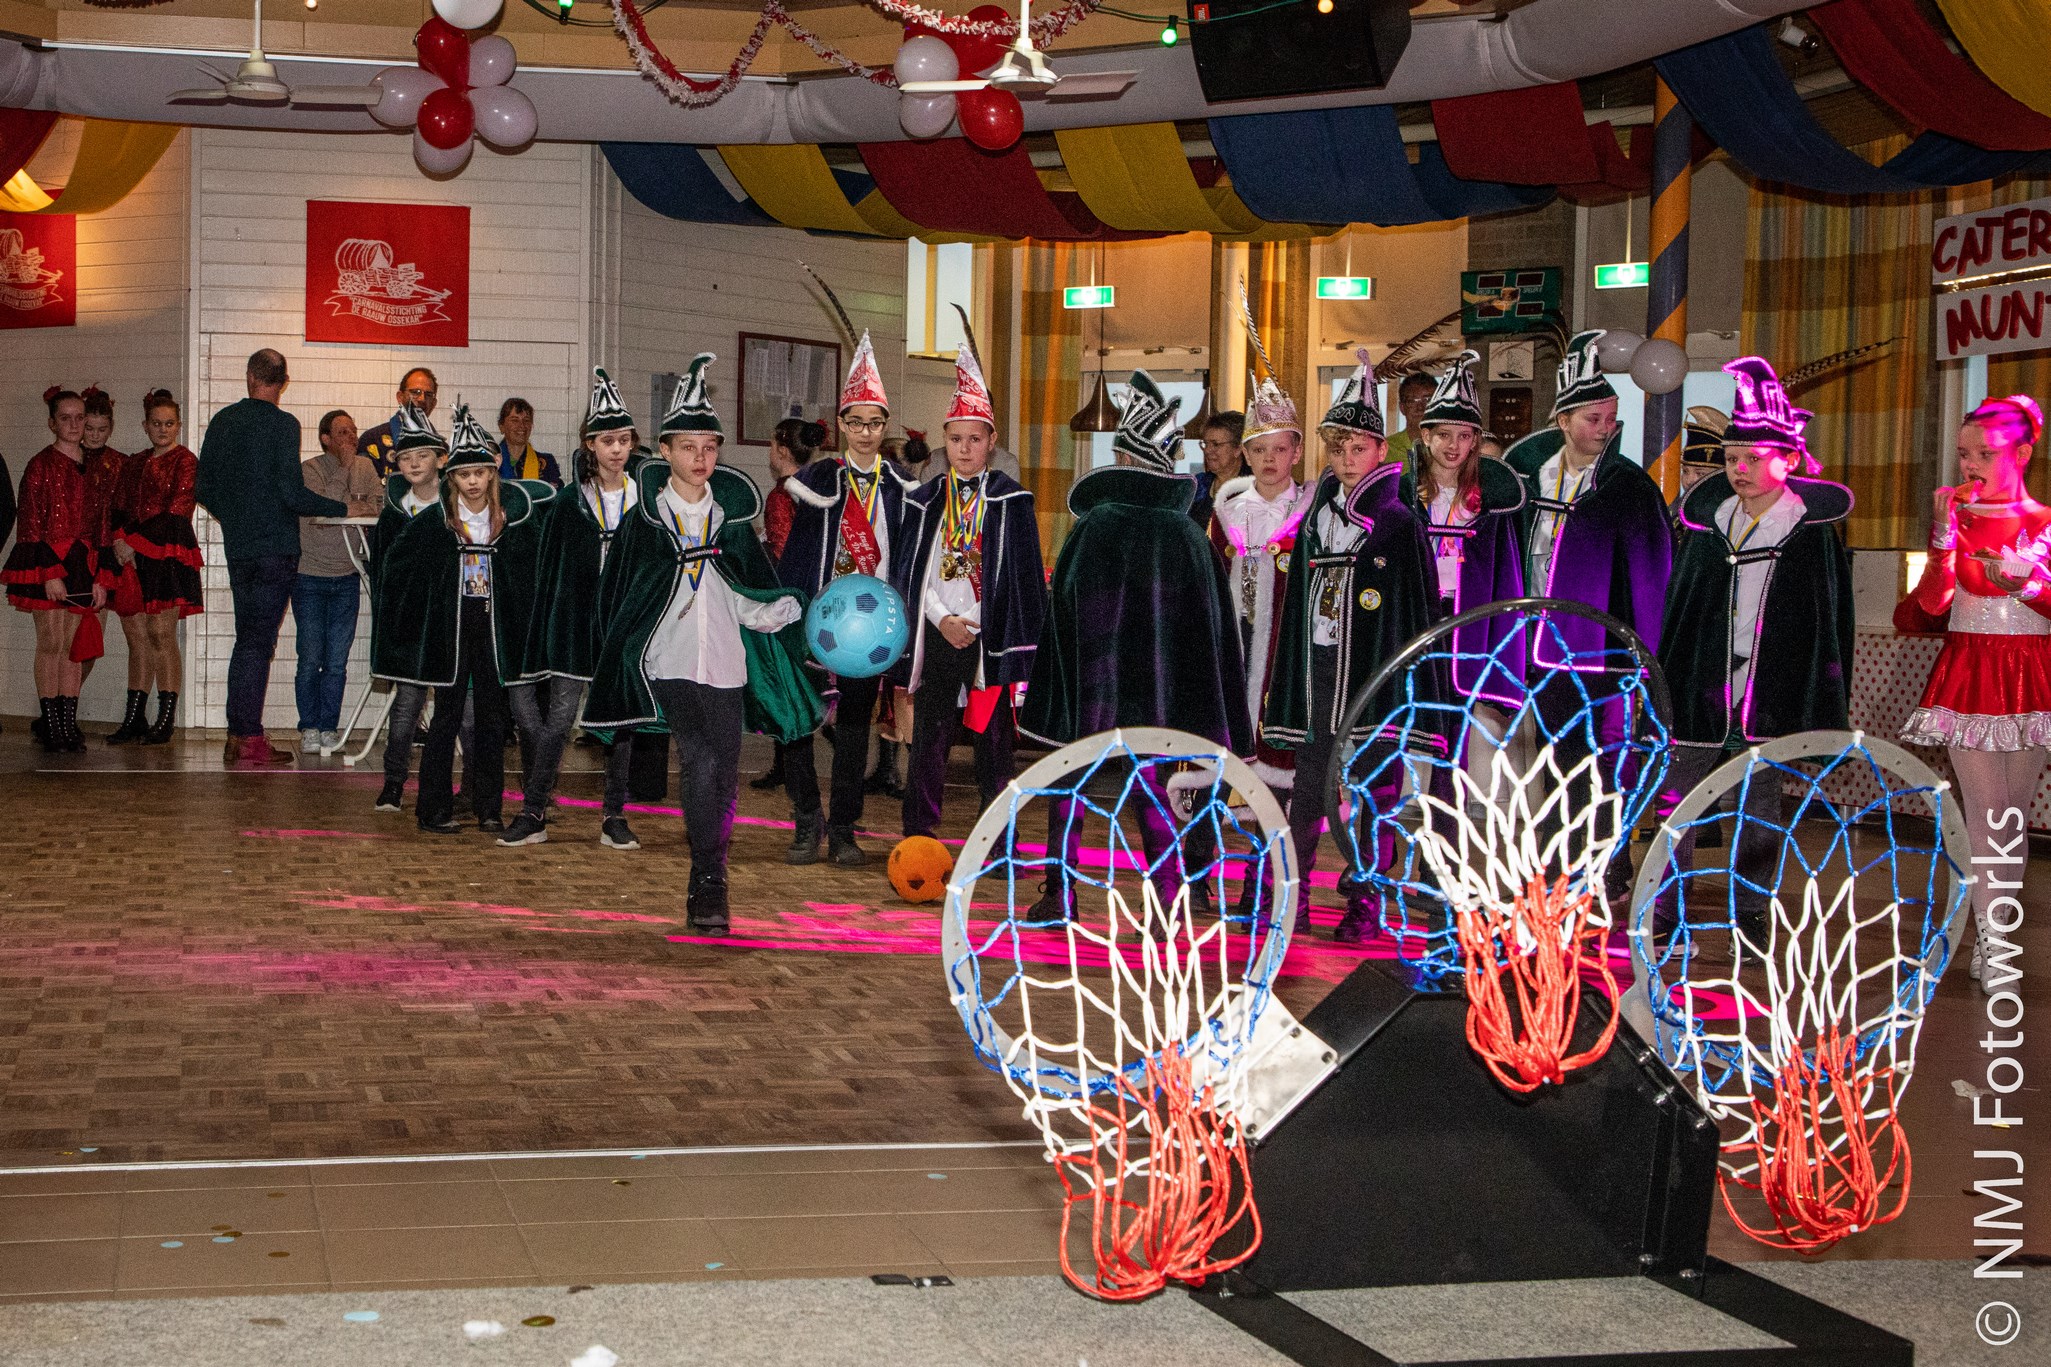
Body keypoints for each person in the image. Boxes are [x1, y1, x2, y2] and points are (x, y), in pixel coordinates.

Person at [583, 355, 823, 936]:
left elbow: (743, 593)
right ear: (665, 451)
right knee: (699, 758)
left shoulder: (731, 523)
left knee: (724, 772)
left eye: (710, 447)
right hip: (667, 661)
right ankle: (710, 878)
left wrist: (779, 609)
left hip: (725, 663)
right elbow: (621, 599)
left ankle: (709, 870)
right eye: (688, 447)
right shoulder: (644, 523)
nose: (700, 458)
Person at [1024, 370, 1251, 919]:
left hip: (1095, 688)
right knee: (1151, 786)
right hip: (1161, 695)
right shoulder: (1190, 535)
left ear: (1125, 460)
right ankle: (1167, 901)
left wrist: (1059, 684)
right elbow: (1212, 630)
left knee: (1070, 783)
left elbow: (1063, 610)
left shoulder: (1094, 526)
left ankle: (1059, 894)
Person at [1659, 357, 1854, 940]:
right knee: (1678, 797)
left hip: (1766, 687)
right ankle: (1665, 907)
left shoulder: (1808, 533)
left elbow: (1827, 623)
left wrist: (1817, 693)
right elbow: (1683, 609)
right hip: (1703, 683)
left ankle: (1749, 910)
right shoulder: (1709, 526)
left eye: (1752, 459)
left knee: (1758, 803)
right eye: (1730, 459)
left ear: (1788, 461)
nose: (1738, 470)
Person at [1262, 362, 1443, 942]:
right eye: (1337, 448)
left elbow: (1414, 606)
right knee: (1309, 789)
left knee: (1375, 791)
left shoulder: (1398, 520)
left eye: (1358, 448)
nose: (1346, 459)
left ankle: (1366, 903)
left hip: (1372, 675)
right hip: (1318, 670)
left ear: (1380, 450)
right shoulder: (1316, 515)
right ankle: (1293, 896)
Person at [1504, 330, 1673, 903]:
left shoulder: (1628, 487)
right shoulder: (1530, 480)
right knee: (1551, 760)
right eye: (1593, 418)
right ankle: (1559, 863)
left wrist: (1643, 651)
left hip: (1599, 654)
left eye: (1610, 419)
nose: (1605, 428)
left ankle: (1600, 867)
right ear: (1564, 420)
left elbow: (1651, 572)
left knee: (1596, 761)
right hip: (1533, 647)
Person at [1899, 393, 2051, 987]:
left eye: (1984, 453)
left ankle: (1997, 938)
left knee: (2011, 815)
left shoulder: (2045, 520)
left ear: (2022, 453)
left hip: (2032, 673)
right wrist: (1942, 537)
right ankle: (1996, 945)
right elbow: (1929, 607)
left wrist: (2027, 586)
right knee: (1987, 813)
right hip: (1971, 672)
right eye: (1964, 453)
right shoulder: (1957, 520)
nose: (1970, 464)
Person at [779, 333, 921, 865]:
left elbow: (907, 555)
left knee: (856, 729)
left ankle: (842, 828)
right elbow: (798, 553)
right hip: (820, 620)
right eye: (856, 422)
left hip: (871, 629)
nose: (865, 432)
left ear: (885, 427)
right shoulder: (818, 480)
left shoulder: (901, 486)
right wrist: (788, 609)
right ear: (841, 424)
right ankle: (806, 817)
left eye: (875, 423)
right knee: (797, 721)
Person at [895, 343, 1047, 842]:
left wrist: (975, 620)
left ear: (992, 441)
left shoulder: (1012, 500)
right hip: (939, 632)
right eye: (956, 439)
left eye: (975, 439)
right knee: (929, 738)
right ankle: (920, 835)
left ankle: (999, 841)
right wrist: (942, 618)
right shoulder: (923, 501)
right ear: (944, 441)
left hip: (988, 637)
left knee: (994, 743)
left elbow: (1020, 575)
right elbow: (912, 573)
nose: (964, 449)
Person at [374, 404, 549, 835]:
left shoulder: (509, 520)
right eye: (464, 474)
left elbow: (530, 571)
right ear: (452, 478)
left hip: (492, 627)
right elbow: (396, 567)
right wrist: (414, 619)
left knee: (492, 718)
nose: (473, 481)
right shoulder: (434, 522)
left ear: (492, 475)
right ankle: (433, 809)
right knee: (446, 716)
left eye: (480, 473)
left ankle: (489, 808)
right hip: (449, 629)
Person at [196, 350, 372, 766]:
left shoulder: (223, 420)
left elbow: (202, 488)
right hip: (276, 548)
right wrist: (343, 508)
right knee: (258, 643)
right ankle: (248, 738)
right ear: (283, 382)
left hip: (241, 547)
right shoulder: (283, 424)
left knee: (247, 640)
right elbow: (293, 494)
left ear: (249, 376)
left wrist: (235, 518)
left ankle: (239, 734)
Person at [500, 369, 650, 849]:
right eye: (608, 441)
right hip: (575, 624)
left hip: (621, 623)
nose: (617, 450)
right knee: (560, 717)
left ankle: (614, 815)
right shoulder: (569, 501)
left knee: (620, 721)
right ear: (590, 444)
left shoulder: (644, 498)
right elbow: (552, 567)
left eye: (624, 440)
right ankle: (534, 810)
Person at [1406, 349, 1527, 706]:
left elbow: (1504, 576)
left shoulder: (1490, 502)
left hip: (1468, 617)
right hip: (1416, 612)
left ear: (1475, 440)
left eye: (1463, 436)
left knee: (1459, 709)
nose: (1453, 445)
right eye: (1444, 434)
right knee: (1414, 708)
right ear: (1426, 435)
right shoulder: (1403, 494)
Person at [1209, 399, 1312, 798]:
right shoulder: (1227, 512)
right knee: (1230, 723)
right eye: (1259, 449)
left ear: (1296, 453)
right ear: (1245, 454)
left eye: (1280, 449)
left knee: (1278, 730)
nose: (1269, 458)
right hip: (1236, 638)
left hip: (1287, 642)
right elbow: (1214, 578)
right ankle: (1215, 816)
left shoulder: (1309, 513)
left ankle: (1272, 826)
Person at [4, 388, 105, 751]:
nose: (74, 425)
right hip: (47, 560)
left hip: (82, 563)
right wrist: (49, 572)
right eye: (66, 418)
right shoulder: (40, 465)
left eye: (80, 417)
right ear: (52, 423)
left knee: (72, 647)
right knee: (51, 643)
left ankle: (66, 723)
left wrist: (100, 576)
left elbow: (101, 526)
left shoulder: (95, 467)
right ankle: (51, 725)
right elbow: (30, 522)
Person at [105, 389, 201, 745]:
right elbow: (118, 506)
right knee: (137, 637)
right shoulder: (134, 463)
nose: (163, 429)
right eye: (157, 423)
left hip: (168, 554)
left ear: (179, 425)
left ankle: (166, 719)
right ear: (145, 426)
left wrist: (133, 542)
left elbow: (177, 511)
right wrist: (120, 540)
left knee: (162, 634)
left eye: (169, 423)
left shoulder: (185, 461)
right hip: (131, 556)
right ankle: (134, 718)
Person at [366, 405, 448, 813]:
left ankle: (455, 789)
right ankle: (393, 784)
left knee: (459, 714)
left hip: (449, 624)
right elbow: (381, 578)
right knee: (405, 708)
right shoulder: (392, 516)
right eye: (406, 457)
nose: (414, 464)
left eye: (422, 455)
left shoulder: (455, 511)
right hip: (411, 627)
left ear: (440, 460)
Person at [292, 410, 380, 754]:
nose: (351, 437)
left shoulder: (366, 467)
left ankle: (329, 727)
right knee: (309, 657)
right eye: (342, 432)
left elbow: (377, 505)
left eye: (353, 431)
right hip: (310, 576)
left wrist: (351, 506)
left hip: (347, 576)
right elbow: (320, 509)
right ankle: (309, 727)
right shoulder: (310, 470)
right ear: (325, 438)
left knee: (337, 661)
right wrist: (343, 470)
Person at [751, 414, 824, 795]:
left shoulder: (782, 495)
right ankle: (784, 764)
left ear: (781, 449)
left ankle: (791, 768)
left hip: (791, 600)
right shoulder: (817, 490)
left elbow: (783, 551)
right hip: (818, 595)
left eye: (771, 445)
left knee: (788, 686)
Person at [360, 367, 439, 479]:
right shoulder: (372, 440)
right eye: (415, 392)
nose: (422, 399)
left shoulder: (440, 449)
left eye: (428, 394)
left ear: (434, 403)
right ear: (400, 397)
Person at [1191, 410, 1248, 527]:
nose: (1207, 450)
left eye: (1215, 444)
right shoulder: (1196, 485)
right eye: (1205, 444)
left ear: (1238, 449)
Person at [497, 397, 562, 487]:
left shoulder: (546, 462)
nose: (522, 426)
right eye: (515, 420)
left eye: (526, 420)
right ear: (501, 426)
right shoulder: (491, 462)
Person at [1384, 372, 1435, 475]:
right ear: (1402, 408)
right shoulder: (1386, 450)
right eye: (1412, 401)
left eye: (1427, 400)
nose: (1420, 408)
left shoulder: (1448, 448)